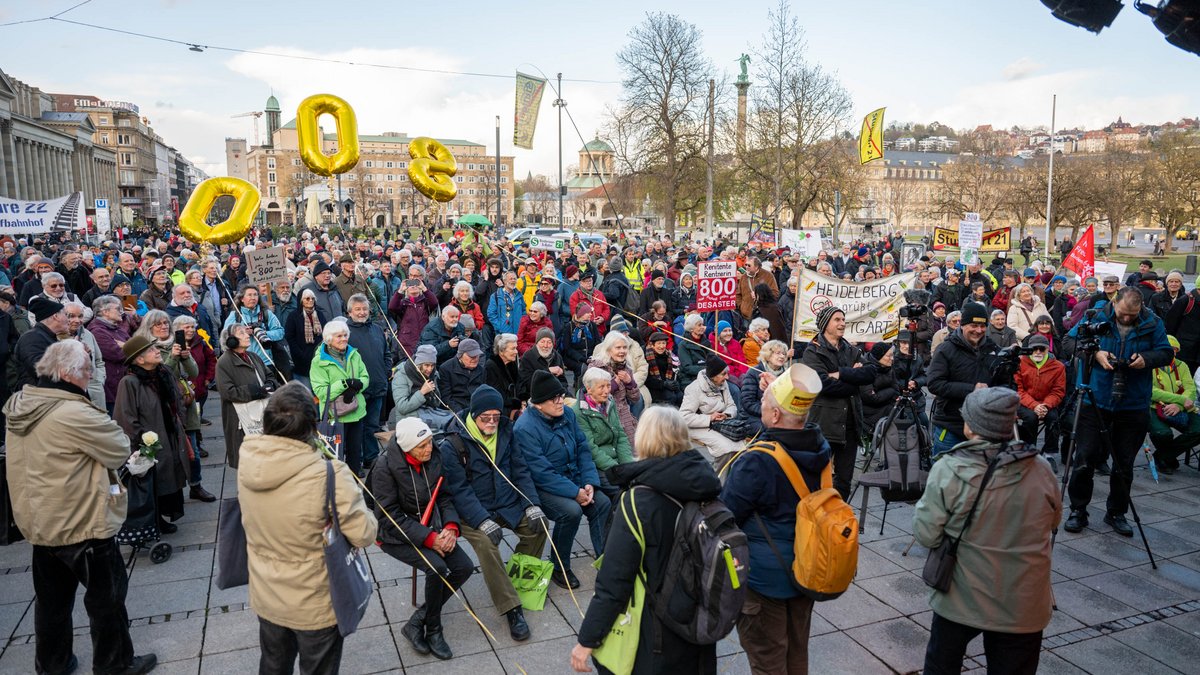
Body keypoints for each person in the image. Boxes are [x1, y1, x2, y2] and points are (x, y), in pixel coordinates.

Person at [4, 341, 158, 675]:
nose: (91, 376)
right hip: (82, 522)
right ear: (66, 374)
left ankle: (53, 665)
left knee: (52, 603)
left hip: (41, 520)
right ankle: (114, 664)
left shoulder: (21, 402)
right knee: (107, 600)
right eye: (87, 370)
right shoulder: (73, 411)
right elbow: (118, 449)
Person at [914, 388, 1060, 675]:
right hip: (1024, 599)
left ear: (970, 426)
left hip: (961, 594)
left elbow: (926, 534)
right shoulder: (1042, 469)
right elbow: (1053, 522)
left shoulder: (950, 469)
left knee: (941, 666)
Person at [238, 383, 378, 675]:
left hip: (267, 592)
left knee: (273, 665)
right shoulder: (329, 473)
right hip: (314, 600)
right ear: (313, 427)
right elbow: (363, 533)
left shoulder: (249, 460)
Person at [572, 406, 723, 674]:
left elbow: (614, 579)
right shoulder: (705, 483)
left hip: (656, 627)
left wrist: (587, 639)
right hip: (697, 615)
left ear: (644, 439)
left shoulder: (638, 500)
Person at [721, 364, 828, 675]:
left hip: (764, 579)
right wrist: (776, 392)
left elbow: (728, 514)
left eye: (766, 404)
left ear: (776, 416)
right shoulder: (818, 445)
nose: (762, 409)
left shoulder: (757, 460)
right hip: (807, 569)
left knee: (768, 661)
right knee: (796, 655)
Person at [439, 385, 548, 641]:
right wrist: (482, 519)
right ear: (474, 415)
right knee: (487, 544)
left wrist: (532, 503)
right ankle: (511, 608)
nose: (491, 422)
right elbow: (460, 490)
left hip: (505, 502)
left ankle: (511, 579)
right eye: (484, 418)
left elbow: (520, 470)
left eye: (495, 417)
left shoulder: (508, 432)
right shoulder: (453, 443)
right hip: (471, 511)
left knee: (538, 527)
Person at [1064, 287, 1173, 536]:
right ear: (1114, 303)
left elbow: (1166, 353)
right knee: (1084, 459)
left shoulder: (1152, 322)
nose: (1126, 318)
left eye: (1132, 315)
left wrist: (1146, 358)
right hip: (1095, 398)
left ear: (1141, 309)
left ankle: (1116, 512)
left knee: (1124, 463)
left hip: (1133, 403)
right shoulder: (1095, 316)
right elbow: (1069, 341)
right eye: (1123, 313)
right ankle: (1078, 510)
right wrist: (1095, 353)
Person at [372, 418, 472, 660]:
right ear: (407, 448)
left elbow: (444, 495)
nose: (429, 449)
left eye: (429, 442)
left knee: (464, 567)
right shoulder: (384, 468)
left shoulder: (433, 455)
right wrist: (429, 539)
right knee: (437, 569)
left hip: (429, 526)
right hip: (393, 535)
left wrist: (449, 528)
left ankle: (417, 621)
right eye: (422, 446)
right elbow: (389, 518)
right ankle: (434, 629)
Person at [515, 370, 611, 590]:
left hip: (573, 477)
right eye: (554, 398)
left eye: (561, 395)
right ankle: (559, 567)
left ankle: (604, 561)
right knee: (571, 511)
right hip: (542, 487)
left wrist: (588, 482)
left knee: (602, 503)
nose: (560, 401)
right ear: (538, 404)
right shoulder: (525, 428)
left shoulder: (567, 414)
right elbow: (541, 472)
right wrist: (574, 492)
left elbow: (583, 449)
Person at [114, 332, 190, 533]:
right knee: (153, 482)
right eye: (152, 350)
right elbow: (126, 418)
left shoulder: (163, 372)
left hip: (169, 433)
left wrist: (179, 421)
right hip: (149, 442)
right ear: (139, 359)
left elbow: (177, 399)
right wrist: (143, 443)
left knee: (170, 477)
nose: (157, 351)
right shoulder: (129, 383)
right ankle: (153, 520)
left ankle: (162, 517)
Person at [800, 305, 879, 499]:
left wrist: (842, 373)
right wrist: (854, 380)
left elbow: (870, 372)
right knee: (818, 480)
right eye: (837, 319)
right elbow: (822, 383)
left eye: (843, 320)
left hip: (850, 424)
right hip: (825, 424)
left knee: (844, 481)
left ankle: (839, 517)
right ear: (825, 324)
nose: (842, 323)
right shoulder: (813, 351)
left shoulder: (850, 349)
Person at [928, 302, 1001, 457]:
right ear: (962, 325)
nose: (979, 330)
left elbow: (1002, 381)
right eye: (973, 325)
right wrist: (972, 389)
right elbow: (935, 384)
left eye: (982, 326)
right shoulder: (945, 349)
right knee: (945, 476)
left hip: (983, 425)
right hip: (951, 425)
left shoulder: (993, 349)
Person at [310, 319, 370, 477]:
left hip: (356, 413)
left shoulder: (354, 354)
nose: (344, 338)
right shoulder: (318, 361)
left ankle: (354, 488)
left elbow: (365, 377)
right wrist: (345, 384)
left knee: (355, 456)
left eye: (345, 335)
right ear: (329, 339)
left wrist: (357, 386)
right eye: (339, 336)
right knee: (334, 458)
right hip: (334, 418)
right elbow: (321, 392)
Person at [216, 323, 276, 469]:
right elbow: (227, 392)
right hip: (240, 420)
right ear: (231, 340)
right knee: (249, 462)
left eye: (246, 332)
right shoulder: (224, 362)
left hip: (262, 414)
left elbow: (270, 375)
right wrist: (255, 391)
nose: (247, 335)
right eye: (241, 333)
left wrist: (270, 384)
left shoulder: (253, 356)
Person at [575, 366, 635, 500]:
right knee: (623, 494)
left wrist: (627, 466)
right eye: (601, 387)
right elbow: (591, 449)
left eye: (608, 386)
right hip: (598, 466)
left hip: (617, 462)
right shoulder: (579, 412)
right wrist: (617, 469)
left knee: (638, 483)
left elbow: (620, 435)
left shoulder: (609, 403)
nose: (607, 391)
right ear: (589, 389)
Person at [345, 293, 391, 469]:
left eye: (364, 309)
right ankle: (357, 460)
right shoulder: (345, 333)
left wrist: (386, 371)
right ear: (350, 312)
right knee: (358, 427)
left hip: (378, 385)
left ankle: (371, 459)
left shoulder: (377, 329)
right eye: (358, 309)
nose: (362, 312)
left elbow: (387, 353)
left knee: (372, 425)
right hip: (357, 389)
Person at [681, 355, 746, 469]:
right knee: (725, 449)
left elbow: (731, 405)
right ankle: (719, 479)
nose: (727, 377)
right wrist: (710, 418)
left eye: (727, 373)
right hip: (698, 427)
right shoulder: (694, 388)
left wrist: (726, 414)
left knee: (741, 447)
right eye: (723, 374)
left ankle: (732, 480)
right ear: (713, 375)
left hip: (721, 424)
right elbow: (684, 417)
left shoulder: (723, 384)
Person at [1014, 334, 1067, 469]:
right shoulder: (1020, 363)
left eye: (1041, 349)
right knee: (1030, 418)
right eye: (1034, 349)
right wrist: (1035, 405)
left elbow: (1058, 391)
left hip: (1046, 402)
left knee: (1053, 418)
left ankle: (1049, 455)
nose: (1037, 352)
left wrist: (1045, 405)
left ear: (1047, 350)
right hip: (1025, 401)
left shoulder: (1058, 367)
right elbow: (1018, 390)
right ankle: (1029, 450)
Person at [1148, 335, 1200, 474]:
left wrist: (1179, 406)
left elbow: (1191, 389)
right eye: (1167, 349)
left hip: (1181, 408)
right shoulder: (1150, 363)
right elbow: (1151, 391)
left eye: (1174, 350)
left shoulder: (1182, 365)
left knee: (1198, 430)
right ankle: (1168, 459)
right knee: (1162, 433)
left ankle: (1161, 456)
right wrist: (1180, 400)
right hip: (1154, 407)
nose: (1171, 352)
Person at [587, 331, 643, 444]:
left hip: (624, 415)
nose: (622, 351)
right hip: (603, 415)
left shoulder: (626, 368)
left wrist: (630, 382)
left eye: (624, 347)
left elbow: (635, 399)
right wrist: (613, 385)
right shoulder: (597, 367)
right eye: (618, 348)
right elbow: (592, 395)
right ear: (608, 350)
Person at [223, 285, 286, 377]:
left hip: (266, 361)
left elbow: (280, 332)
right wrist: (242, 332)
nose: (253, 298)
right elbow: (226, 336)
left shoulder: (266, 314)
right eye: (249, 295)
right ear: (242, 299)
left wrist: (263, 333)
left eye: (255, 295)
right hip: (243, 362)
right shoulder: (235, 315)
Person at [12, 297, 68, 392]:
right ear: (56, 316)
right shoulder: (32, 338)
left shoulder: (47, 337)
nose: (68, 319)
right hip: (38, 398)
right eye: (66, 314)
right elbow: (40, 369)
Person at [283, 288, 326, 387]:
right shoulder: (293, 316)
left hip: (319, 358)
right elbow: (290, 337)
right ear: (301, 301)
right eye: (307, 298)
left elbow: (325, 333)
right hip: (301, 361)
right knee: (307, 392)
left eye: (312, 298)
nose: (310, 301)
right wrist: (300, 354)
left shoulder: (319, 314)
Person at [438, 338, 487, 413]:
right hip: (456, 410)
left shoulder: (481, 370)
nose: (475, 359)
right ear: (460, 355)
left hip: (476, 409)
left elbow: (484, 394)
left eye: (477, 356)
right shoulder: (446, 368)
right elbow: (446, 398)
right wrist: (461, 413)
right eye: (471, 356)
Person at [486, 333, 524, 418]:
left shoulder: (511, 363)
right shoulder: (491, 366)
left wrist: (523, 401)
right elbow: (496, 396)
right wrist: (516, 404)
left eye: (516, 348)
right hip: (500, 409)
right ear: (502, 351)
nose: (516, 352)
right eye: (513, 349)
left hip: (514, 406)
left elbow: (520, 385)